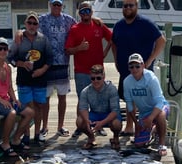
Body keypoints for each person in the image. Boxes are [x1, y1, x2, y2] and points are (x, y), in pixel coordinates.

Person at [15, 0, 77, 140]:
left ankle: (60, 126)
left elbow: (80, 25)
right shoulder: (42, 19)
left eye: (59, 4)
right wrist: (18, 33)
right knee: (45, 99)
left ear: (62, 6)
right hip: (45, 65)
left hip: (62, 63)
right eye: (54, 4)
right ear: (50, 5)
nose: (56, 7)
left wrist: (96, 19)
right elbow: (26, 27)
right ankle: (44, 126)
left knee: (62, 96)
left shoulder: (69, 20)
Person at [112, 0, 166, 136]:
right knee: (128, 97)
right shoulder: (118, 25)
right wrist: (116, 60)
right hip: (126, 69)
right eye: (125, 6)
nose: (128, 8)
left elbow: (161, 40)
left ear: (137, 6)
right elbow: (114, 44)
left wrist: (150, 60)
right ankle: (130, 126)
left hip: (142, 69)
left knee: (144, 97)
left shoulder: (146, 23)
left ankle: (150, 122)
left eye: (131, 5)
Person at [65, 1, 112, 138]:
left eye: (88, 11)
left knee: (99, 99)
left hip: (98, 70)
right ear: (79, 14)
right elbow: (68, 50)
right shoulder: (74, 29)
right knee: (82, 99)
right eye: (83, 11)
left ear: (92, 12)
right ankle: (81, 126)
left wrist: (105, 52)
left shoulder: (99, 25)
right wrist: (79, 48)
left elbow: (112, 38)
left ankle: (99, 125)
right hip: (81, 71)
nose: (85, 13)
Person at [0, 37, 34, 157]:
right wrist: (0, 100)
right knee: (12, 113)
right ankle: (5, 144)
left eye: (5, 49)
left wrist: (15, 99)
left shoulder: (7, 67)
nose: (3, 51)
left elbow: (9, 87)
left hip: (5, 99)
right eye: (0, 48)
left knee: (30, 112)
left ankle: (15, 140)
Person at [8, 12, 53, 146]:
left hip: (40, 80)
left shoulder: (43, 39)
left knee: (39, 107)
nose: (32, 26)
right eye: (29, 23)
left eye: (35, 23)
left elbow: (50, 59)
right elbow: (10, 57)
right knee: (27, 108)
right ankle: (26, 135)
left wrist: (42, 70)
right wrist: (22, 64)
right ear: (25, 24)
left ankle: (37, 134)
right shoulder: (19, 39)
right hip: (24, 80)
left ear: (38, 25)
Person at [123, 53, 169, 156]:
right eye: (132, 66)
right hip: (144, 113)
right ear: (129, 68)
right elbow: (129, 105)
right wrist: (136, 123)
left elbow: (159, 101)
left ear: (143, 65)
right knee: (139, 144)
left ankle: (162, 144)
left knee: (160, 115)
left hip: (159, 108)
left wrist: (151, 118)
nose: (134, 69)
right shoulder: (127, 82)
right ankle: (154, 129)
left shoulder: (151, 79)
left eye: (137, 66)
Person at [76, 64, 122, 150]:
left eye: (98, 78)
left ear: (103, 77)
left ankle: (115, 138)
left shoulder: (112, 89)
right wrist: (86, 121)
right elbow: (83, 108)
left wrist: (102, 123)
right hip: (94, 114)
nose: (95, 81)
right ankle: (91, 137)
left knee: (116, 123)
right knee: (80, 121)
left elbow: (115, 111)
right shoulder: (85, 91)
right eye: (93, 78)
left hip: (109, 114)